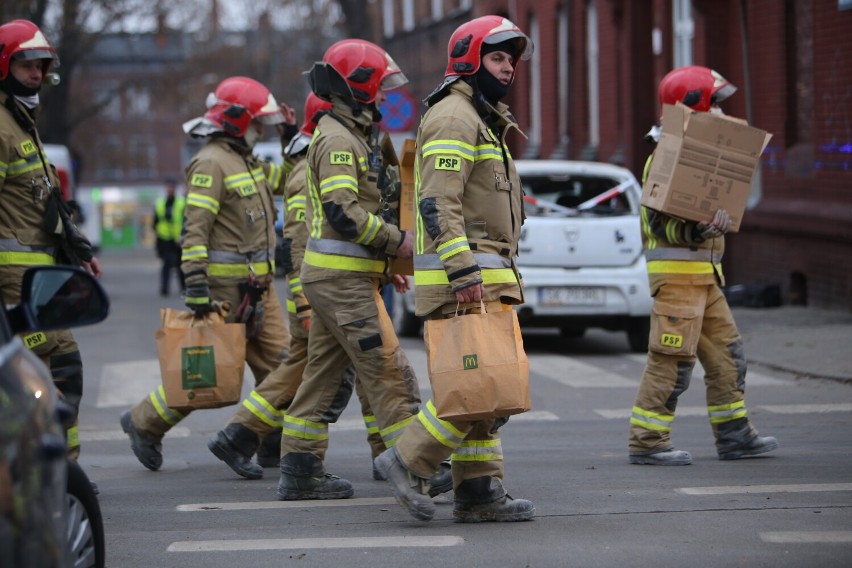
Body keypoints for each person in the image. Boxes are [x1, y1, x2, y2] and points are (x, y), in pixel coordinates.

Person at [373, 15, 536, 524]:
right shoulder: (455, 116)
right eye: (497, 57)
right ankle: (405, 459)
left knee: (487, 390)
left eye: (511, 60)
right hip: (467, 281)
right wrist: (464, 273)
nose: (508, 68)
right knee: (477, 389)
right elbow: (437, 204)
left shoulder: (481, 116)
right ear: (468, 60)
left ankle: (479, 492)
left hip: (487, 278)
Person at [274, 39, 450, 501]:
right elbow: (343, 213)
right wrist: (399, 243)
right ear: (359, 87)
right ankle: (415, 464)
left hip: (340, 277)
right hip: (341, 281)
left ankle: (299, 468)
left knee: (324, 375)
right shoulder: (337, 139)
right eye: (380, 87)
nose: (386, 96)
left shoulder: (352, 134)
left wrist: (384, 264)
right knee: (387, 368)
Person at [206, 92, 390, 480]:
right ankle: (243, 436)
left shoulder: (310, 161)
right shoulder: (316, 164)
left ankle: (243, 436)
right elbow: (300, 241)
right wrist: (305, 304)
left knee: (318, 368)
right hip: (319, 294)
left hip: (326, 290)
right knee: (359, 365)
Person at [120, 76, 295, 471]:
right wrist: (195, 283)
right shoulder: (211, 162)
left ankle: (266, 439)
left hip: (259, 289)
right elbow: (194, 229)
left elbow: (289, 181)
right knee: (209, 375)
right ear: (236, 121)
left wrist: (289, 137)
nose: (260, 130)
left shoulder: (247, 161)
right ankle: (144, 423)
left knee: (284, 366)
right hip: (224, 291)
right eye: (258, 123)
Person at [628, 65, 779, 465]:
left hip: (705, 279)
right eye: (715, 104)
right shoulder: (665, 156)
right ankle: (647, 441)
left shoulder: (698, 156)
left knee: (730, 358)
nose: (721, 113)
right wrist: (701, 230)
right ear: (693, 106)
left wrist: (716, 225)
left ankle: (735, 436)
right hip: (677, 282)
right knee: (671, 363)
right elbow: (662, 226)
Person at [0, 19, 102, 460]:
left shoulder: (22, 123)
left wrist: (76, 249)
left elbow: (45, 204)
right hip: (14, 280)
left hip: (40, 273)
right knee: (51, 370)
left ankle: (59, 471)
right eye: (27, 65)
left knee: (52, 371)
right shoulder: (3, 127)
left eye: (41, 66)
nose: (37, 74)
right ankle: (54, 471)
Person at [153, 177, 185, 296]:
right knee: (166, 264)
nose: (170, 189)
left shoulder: (182, 203)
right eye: (168, 187)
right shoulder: (160, 203)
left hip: (179, 240)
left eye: (172, 187)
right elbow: (155, 222)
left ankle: (183, 288)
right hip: (164, 239)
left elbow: (185, 221)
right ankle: (164, 289)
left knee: (180, 265)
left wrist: (182, 237)